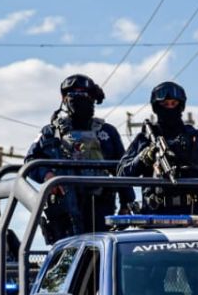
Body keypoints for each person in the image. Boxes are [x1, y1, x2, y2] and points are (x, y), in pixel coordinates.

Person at [25, 74, 129, 241]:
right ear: (64, 99)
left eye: (84, 94)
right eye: (73, 95)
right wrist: (47, 176)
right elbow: (30, 161)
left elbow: (122, 169)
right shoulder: (51, 133)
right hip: (65, 209)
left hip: (100, 205)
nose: (79, 99)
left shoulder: (107, 133)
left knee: (100, 254)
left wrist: (126, 204)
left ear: (93, 97)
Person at [118, 81, 198, 215]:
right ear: (157, 107)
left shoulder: (197, 138)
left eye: (173, 104)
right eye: (165, 104)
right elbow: (121, 174)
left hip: (194, 212)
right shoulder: (145, 139)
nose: (169, 108)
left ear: (180, 106)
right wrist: (142, 159)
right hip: (155, 214)